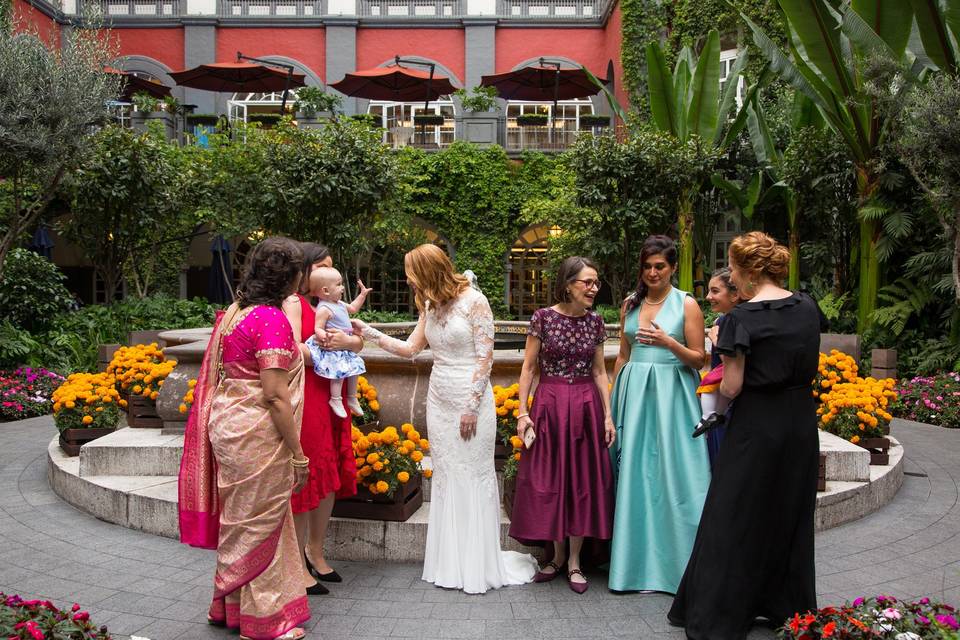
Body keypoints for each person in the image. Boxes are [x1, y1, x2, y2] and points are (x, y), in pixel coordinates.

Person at [352, 243, 538, 594]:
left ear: (427, 271)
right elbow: (410, 349)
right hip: (438, 399)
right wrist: (370, 333)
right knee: (448, 474)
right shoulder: (429, 303)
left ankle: (476, 563)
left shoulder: (474, 301)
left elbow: (486, 360)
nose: (408, 281)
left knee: (472, 473)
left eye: (411, 273)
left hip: (471, 401)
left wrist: (471, 406)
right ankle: (449, 562)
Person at [669, 232, 826, 640]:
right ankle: (785, 606)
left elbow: (733, 388)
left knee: (732, 513)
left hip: (757, 423)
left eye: (734, 271)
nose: (733, 279)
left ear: (747, 272)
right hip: (799, 423)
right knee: (788, 512)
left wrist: (721, 348)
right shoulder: (807, 306)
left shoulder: (739, 319)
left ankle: (722, 612)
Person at [178, 236, 310, 640]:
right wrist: (298, 454)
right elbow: (274, 395)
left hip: (228, 423)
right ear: (290, 276)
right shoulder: (270, 319)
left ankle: (228, 606)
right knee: (260, 523)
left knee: (242, 519)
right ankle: (264, 623)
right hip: (257, 432)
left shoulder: (236, 312)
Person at [608, 235, 709, 594]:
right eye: (647, 266)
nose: (653, 272)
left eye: (660, 266)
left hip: (673, 396)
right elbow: (622, 355)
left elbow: (701, 359)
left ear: (672, 268)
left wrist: (670, 342)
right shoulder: (629, 305)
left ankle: (682, 568)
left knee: (677, 475)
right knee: (637, 475)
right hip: (634, 395)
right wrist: (612, 401)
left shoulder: (687, 304)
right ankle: (634, 568)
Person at [508, 256, 615, 594]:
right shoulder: (542, 318)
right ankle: (554, 557)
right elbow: (528, 368)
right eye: (588, 282)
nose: (594, 288)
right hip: (550, 405)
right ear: (568, 284)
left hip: (585, 406)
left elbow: (600, 371)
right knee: (551, 478)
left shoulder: (596, 322)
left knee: (581, 479)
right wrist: (523, 412)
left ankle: (574, 561)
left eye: (596, 282)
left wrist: (608, 415)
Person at [282, 243, 365, 592]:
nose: (329, 273)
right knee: (308, 475)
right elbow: (288, 344)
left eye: (332, 267)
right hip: (310, 396)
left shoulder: (331, 306)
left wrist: (348, 341)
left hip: (332, 392)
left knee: (328, 472)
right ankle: (297, 561)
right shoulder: (293, 302)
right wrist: (324, 348)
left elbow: (358, 343)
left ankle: (316, 550)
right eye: (322, 266)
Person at [303, 266, 370, 419]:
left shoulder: (339, 304)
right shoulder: (324, 308)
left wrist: (362, 295)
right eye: (339, 284)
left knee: (354, 370)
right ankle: (336, 399)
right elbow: (318, 327)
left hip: (345, 344)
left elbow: (353, 308)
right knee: (338, 374)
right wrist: (323, 335)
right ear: (326, 291)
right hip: (334, 346)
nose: (342, 287)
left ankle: (351, 397)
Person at [693, 267, 742, 464]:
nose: (708, 297)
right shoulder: (721, 320)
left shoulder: (738, 323)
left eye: (715, 291)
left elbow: (734, 368)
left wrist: (718, 343)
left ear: (734, 294)